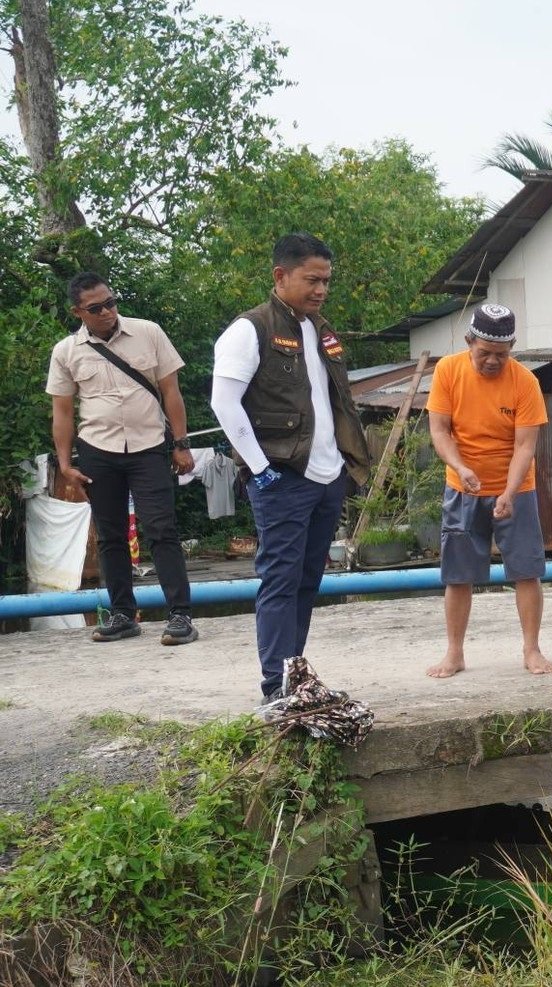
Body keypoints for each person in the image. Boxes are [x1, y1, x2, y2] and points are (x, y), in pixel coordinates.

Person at [210, 232, 370, 702]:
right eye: (312, 280)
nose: (321, 289)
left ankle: (294, 678)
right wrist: (260, 469)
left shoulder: (319, 328)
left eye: (326, 281)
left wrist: (342, 467)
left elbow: (332, 402)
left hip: (326, 477)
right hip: (282, 476)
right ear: (280, 276)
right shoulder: (250, 328)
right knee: (280, 581)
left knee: (307, 582)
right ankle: (274, 688)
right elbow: (224, 402)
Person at [46, 272, 199, 645]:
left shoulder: (148, 332)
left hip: (148, 447)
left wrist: (180, 443)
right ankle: (122, 615)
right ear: (78, 311)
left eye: (110, 302)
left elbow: (171, 393)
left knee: (162, 530)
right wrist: (65, 465)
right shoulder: (66, 351)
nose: (107, 312)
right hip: (98, 451)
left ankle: (180, 616)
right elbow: (63, 412)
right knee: (110, 536)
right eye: (96, 308)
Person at [424, 303, 552, 679]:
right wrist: (461, 468)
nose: (492, 362)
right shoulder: (448, 371)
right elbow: (439, 431)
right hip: (462, 486)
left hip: (516, 488)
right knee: (458, 574)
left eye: (502, 354)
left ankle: (532, 650)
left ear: (512, 348)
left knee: (527, 570)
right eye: (484, 353)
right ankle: (454, 653)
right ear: (469, 342)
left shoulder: (525, 382)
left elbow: (525, 447)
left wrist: (510, 493)